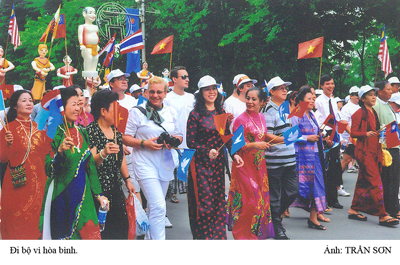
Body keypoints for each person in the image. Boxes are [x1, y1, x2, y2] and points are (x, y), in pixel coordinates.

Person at [40, 87, 108, 239]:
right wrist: (60, 152)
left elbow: (90, 166)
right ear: (62, 106)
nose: (78, 108)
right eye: (73, 104)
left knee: (89, 230)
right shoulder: (53, 133)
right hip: (62, 194)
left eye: (79, 104)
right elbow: (49, 170)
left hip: (84, 195)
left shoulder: (82, 132)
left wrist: (99, 194)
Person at [123, 76, 182, 240]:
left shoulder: (170, 112)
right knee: (158, 206)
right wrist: (143, 143)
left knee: (154, 208)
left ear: (165, 93)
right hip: (144, 163)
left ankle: (149, 239)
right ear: (146, 92)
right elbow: (125, 137)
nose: (155, 95)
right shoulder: (137, 112)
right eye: (152, 92)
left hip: (165, 163)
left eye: (159, 92)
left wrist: (173, 141)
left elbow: (179, 135)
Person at [187, 75, 244, 239]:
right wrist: (206, 151)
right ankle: (203, 237)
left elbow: (226, 137)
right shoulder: (195, 114)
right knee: (204, 204)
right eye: (207, 89)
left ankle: (218, 238)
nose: (211, 92)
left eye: (213, 89)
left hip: (218, 164)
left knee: (219, 203)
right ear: (201, 93)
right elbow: (190, 142)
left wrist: (235, 154)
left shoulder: (221, 113)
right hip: (199, 165)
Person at [87, 89, 135, 239]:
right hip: (99, 191)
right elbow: (90, 162)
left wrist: (127, 180)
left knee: (121, 228)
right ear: (103, 111)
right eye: (115, 108)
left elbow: (120, 159)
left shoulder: (115, 131)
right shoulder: (91, 130)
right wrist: (104, 153)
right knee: (104, 231)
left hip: (116, 188)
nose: (118, 112)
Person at [227, 86, 274, 239]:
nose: (250, 102)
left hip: (259, 165)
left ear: (261, 102)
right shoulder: (240, 119)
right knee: (249, 201)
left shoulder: (261, 117)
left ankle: (253, 235)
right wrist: (256, 145)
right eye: (248, 98)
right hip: (243, 165)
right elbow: (236, 145)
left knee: (259, 201)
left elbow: (262, 135)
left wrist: (282, 138)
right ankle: (241, 235)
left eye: (254, 99)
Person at [0, 90, 49, 239]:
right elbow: (2, 159)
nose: (29, 103)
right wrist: (7, 144)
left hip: (39, 183)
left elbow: (46, 155)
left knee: (36, 224)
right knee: (16, 222)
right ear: (15, 106)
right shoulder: (8, 128)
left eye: (31, 100)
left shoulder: (40, 128)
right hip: (17, 184)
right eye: (24, 100)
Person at [348, 85, 399, 227]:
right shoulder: (359, 113)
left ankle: (353, 209)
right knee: (376, 182)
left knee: (363, 181)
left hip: (374, 151)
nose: (373, 97)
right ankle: (383, 215)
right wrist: (365, 134)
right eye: (370, 95)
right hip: (364, 153)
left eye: (374, 95)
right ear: (363, 98)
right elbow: (353, 133)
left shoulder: (373, 113)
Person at [261, 76, 299, 239]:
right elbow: (266, 135)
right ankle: (276, 225)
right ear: (271, 91)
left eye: (285, 87)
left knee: (293, 192)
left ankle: (272, 216)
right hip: (275, 161)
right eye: (280, 88)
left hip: (289, 159)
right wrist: (286, 138)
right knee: (275, 196)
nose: (285, 90)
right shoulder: (268, 110)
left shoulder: (284, 108)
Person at [291, 86, 329, 230]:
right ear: (301, 100)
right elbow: (291, 136)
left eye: (313, 98)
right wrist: (308, 137)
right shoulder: (296, 114)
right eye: (309, 98)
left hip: (315, 155)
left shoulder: (311, 115)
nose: (312, 101)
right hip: (302, 157)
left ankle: (313, 218)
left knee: (318, 186)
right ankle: (281, 214)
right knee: (297, 187)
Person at [164, 66, 195, 203]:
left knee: (185, 169)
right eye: (183, 77)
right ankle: (172, 193)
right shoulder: (167, 98)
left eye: (187, 76)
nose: (187, 79)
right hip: (174, 140)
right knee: (173, 168)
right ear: (174, 79)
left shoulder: (192, 97)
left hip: (189, 140)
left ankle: (186, 191)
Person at [314, 74, 345, 209]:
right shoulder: (319, 101)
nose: (330, 86)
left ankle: (333, 198)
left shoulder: (333, 100)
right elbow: (319, 120)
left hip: (335, 137)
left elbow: (337, 119)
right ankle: (324, 199)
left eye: (332, 83)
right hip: (325, 136)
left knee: (334, 168)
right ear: (322, 85)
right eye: (327, 84)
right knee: (325, 169)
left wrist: (340, 136)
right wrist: (325, 137)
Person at [373, 80, 400, 220]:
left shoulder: (387, 104)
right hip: (387, 147)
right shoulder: (376, 105)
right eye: (388, 89)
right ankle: (393, 208)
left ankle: (391, 206)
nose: (392, 91)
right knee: (391, 179)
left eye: (391, 89)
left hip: (394, 144)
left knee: (393, 179)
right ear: (380, 91)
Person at [340, 86, 360, 176]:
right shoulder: (347, 107)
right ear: (351, 96)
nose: (357, 97)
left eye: (359, 95)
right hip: (349, 139)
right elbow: (343, 123)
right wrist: (352, 134)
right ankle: (336, 181)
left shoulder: (359, 107)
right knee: (346, 160)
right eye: (356, 95)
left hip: (358, 138)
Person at [78, 7, 99, 77]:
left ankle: (94, 76)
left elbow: (97, 35)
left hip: (95, 47)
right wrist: (81, 44)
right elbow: (80, 35)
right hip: (87, 47)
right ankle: (87, 77)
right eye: (90, 13)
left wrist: (97, 44)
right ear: (84, 14)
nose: (93, 15)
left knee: (95, 59)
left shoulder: (95, 27)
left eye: (94, 13)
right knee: (89, 59)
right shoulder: (82, 26)